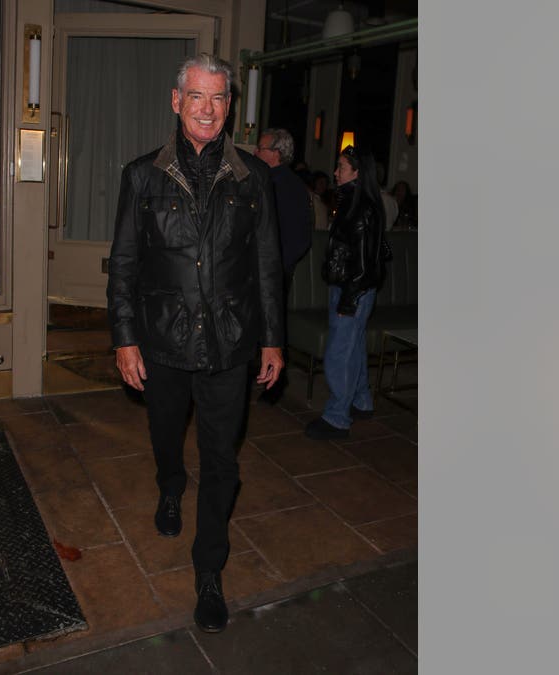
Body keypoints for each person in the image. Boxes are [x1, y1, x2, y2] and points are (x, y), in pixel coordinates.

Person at [107, 53, 284, 633]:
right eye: (197, 97)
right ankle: (168, 484)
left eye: (219, 98)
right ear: (177, 101)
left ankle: (209, 571)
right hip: (162, 342)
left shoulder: (253, 177)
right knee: (165, 435)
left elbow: (266, 266)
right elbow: (125, 266)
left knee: (222, 462)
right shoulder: (141, 176)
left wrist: (272, 340)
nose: (208, 108)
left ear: (229, 107)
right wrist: (126, 339)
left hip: (230, 345)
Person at [304, 145, 387, 440]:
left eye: (341, 166)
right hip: (353, 287)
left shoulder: (361, 205)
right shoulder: (358, 200)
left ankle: (338, 417)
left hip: (353, 289)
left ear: (357, 172)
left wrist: (350, 299)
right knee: (353, 346)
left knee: (339, 352)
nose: (335, 172)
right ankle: (361, 401)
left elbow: (364, 260)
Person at [254, 128, 312, 405]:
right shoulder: (268, 179)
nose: (256, 152)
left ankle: (274, 385)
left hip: (273, 272)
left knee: (271, 328)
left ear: (275, 154)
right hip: (263, 271)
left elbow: (299, 237)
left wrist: (277, 266)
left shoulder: (286, 186)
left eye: (261, 148)